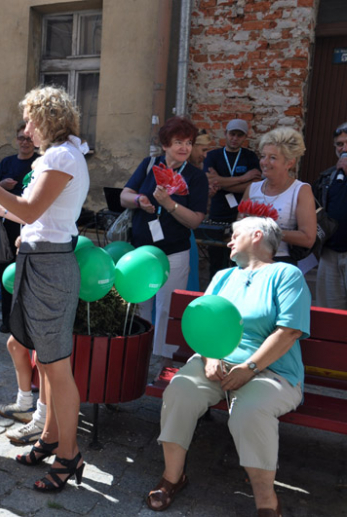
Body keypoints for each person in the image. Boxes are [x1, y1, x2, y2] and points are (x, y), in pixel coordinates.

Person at [0, 85, 90, 492]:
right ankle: (51, 439)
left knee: (56, 367)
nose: (28, 128)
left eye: (32, 119)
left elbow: (31, 211)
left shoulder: (63, 156)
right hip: (41, 260)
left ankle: (69, 456)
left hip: (50, 267)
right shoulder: (58, 156)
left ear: (47, 119)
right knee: (45, 360)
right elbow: (32, 212)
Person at [146, 217, 310, 516]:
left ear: (257, 235)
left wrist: (249, 367)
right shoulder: (223, 276)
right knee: (180, 390)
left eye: (234, 235)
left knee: (250, 412)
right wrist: (209, 358)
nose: (229, 241)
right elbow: (203, 322)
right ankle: (172, 477)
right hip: (217, 362)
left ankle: (266, 502)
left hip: (271, 370)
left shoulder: (286, 274)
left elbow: (289, 331)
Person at [120, 117, 209, 358]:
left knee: (167, 310)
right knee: (140, 306)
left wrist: (169, 205)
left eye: (189, 143)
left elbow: (195, 220)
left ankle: (162, 362)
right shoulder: (149, 165)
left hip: (174, 253)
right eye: (178, 142)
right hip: (142, 251)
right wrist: (140, 200)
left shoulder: (195, 176)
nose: (184, 148)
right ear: (165, 145)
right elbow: (124, 195)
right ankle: (138, 357)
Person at [242, 127, 316, 264]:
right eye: (263, 156)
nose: (264, 162)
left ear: (289, 163)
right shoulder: (252, 189)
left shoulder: (300, 190)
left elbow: (308, 238)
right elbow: (240, 226)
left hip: (281, 263)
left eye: (273, 158)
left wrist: (270, 231)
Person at [0, 122, 40, 333]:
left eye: (29, 139)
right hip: (8, 226)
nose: (25, 143)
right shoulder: (7, 162)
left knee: (29, 276)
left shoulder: (40, 163)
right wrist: (2, 186)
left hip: (32, 225)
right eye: (21, 138)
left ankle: (26, 322)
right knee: (6, 273)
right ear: (16, 140)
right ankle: (7, 320)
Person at [203, 119, 262, 276]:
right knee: (215, 260)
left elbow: (255, 184)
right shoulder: (213, 155)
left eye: (239, 135)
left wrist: (221, 182)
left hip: (242, 214)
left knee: (240, 259)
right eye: (232, 134)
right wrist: (243, 178)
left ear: (245, 137)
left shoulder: (250, 157)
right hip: (217, 213)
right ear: (226, 134)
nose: (235, 138)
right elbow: (209, 180)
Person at [314, 122, 347, 309]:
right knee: (329, 315)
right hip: (330, 255)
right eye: (339, 144)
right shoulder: (327, 177)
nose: (344, 149)